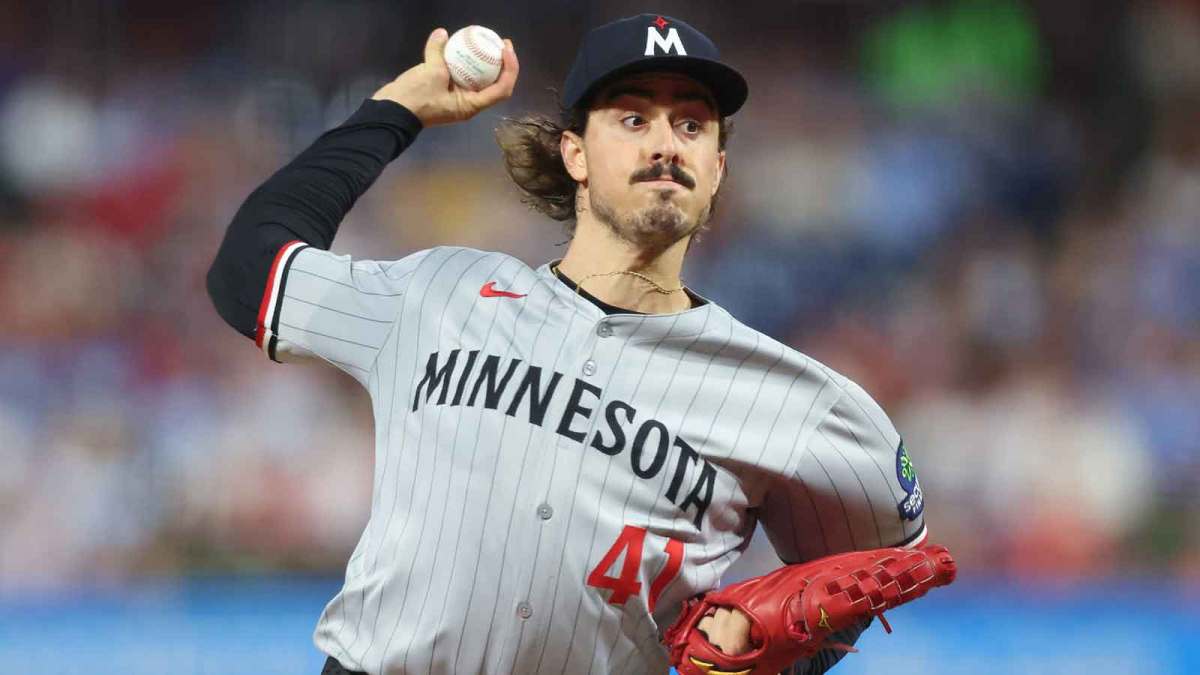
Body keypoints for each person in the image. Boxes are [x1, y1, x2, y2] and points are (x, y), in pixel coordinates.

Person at [207, 13, 931, 675]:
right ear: (575, 154)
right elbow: (247, 272)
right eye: (632, 118)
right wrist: (396, 111)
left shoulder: (787, 397)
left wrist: (784, 662)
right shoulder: (436, 293)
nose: (664, 143)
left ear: (717, 171)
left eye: (691, 125)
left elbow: (883, 563)